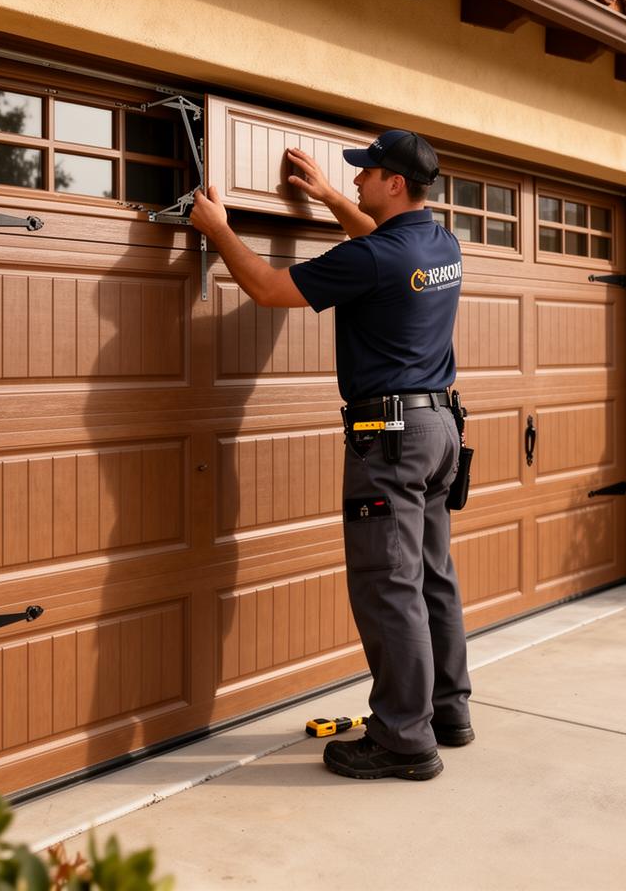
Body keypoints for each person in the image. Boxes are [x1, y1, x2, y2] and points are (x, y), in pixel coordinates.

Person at [189, 130, 472, 781]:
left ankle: (403, 738)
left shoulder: (376, 257)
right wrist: (324, 200)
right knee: (432, 577)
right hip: (438, 433)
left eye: (366, 174)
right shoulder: (441, 242)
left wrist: (218, 229)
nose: (356, 182)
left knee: (389, 588)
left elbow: (264, 286)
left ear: (394, 184)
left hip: (391, 441)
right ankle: (447, 711)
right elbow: (378, 245)